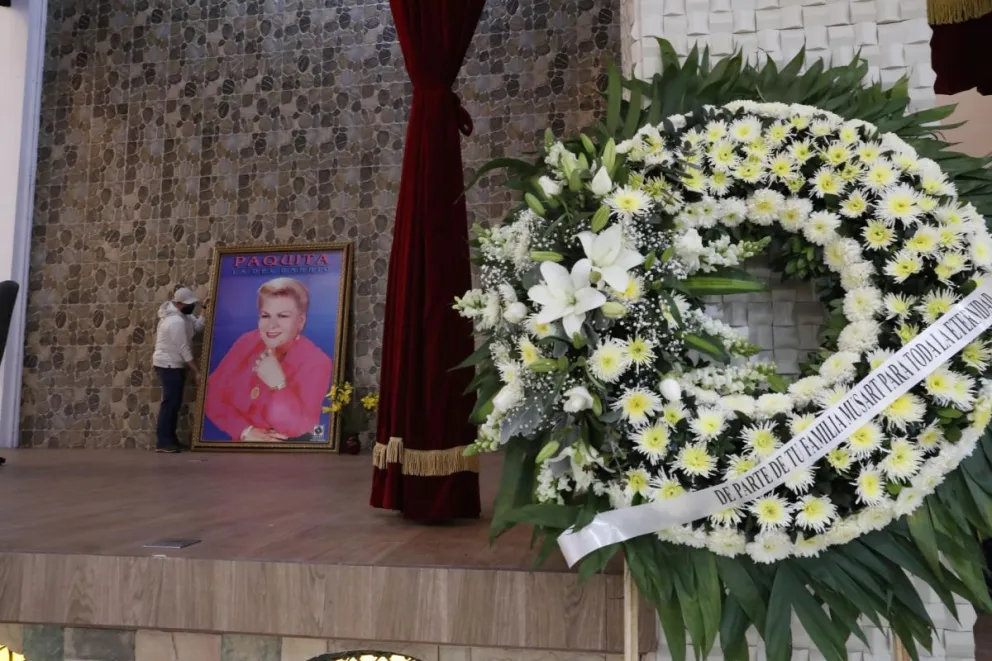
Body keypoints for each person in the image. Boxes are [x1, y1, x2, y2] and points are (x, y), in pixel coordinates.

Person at [204, 277, 333, 442]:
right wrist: (245, 431)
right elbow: (211, 394)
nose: (271, 325)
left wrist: (279, 385)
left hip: (288, 453)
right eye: (265, 316)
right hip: (238, 450)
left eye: (283, 316)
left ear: (301, 321)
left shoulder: (317, 362)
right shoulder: (247, 342)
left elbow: (303, 427)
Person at [152, 286, 206, 453]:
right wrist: (196, 371)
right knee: (170, 403)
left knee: (174, 403)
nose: (192, 307)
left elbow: (198, 327)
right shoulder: (175, 321)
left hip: (174, 364)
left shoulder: (184, 316)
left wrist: (204, 310)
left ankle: (171, 440)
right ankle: (163, 442)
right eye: (189, 304)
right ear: (179, 304)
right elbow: (184, 349)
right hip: (168, 365)